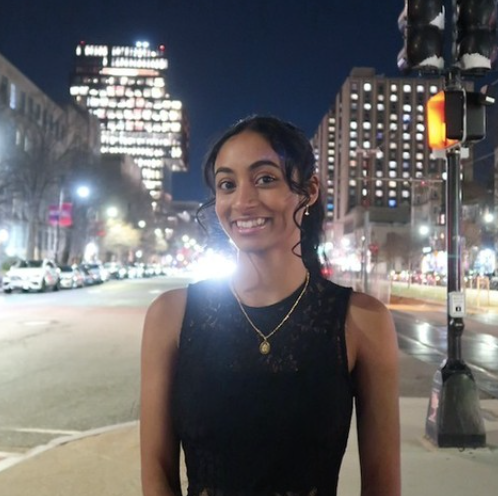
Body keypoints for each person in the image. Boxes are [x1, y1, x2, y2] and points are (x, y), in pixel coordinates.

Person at [140, 116, 400, 496]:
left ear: (308, 191)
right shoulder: (171, 315)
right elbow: (157, 473)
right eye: (227, 184)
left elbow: (382, 485)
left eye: (265, 179)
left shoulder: (361, 321)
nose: (242, 202)